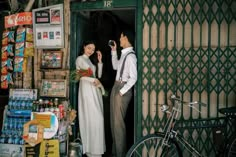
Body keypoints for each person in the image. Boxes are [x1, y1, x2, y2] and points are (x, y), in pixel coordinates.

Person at [109, 30, 137, 157]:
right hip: (117, 86)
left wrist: (122, 91)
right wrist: (114, 51)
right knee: (113, 123)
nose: (119, 39)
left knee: (118, 125)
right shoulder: (124, 54)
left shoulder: (131, 56)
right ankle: (115, 152)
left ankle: (120, 154)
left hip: (122, 88)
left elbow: (134, 77)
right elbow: (116, 67)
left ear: (126, 38)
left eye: (121, 37)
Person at [76, 40, 106, 157]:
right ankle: (90, 150)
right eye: (89, 48)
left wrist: (99, 62)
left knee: (98, 120)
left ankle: (97, 150)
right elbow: (81, 77)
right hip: (87, 92)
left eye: (93, 49)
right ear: (84, 47)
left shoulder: (89, 60)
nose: (91, 51)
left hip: (95, 91)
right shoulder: (80, 59)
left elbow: (98, 75)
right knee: (93, 119)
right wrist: (94, 80)